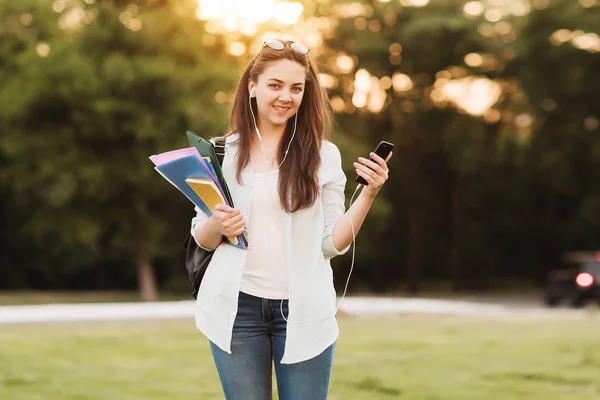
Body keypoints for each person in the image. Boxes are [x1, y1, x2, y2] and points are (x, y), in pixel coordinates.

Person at [191, 38, 392, 400]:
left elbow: (332, 242)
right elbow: (201, 239)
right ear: (252, 87)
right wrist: (217, 226)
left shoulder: (322, 156)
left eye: (296, 88)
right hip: (237, 310)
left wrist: (369, 193)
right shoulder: (221, 152)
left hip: (303, 310)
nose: (286, 96)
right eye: (275, 85)